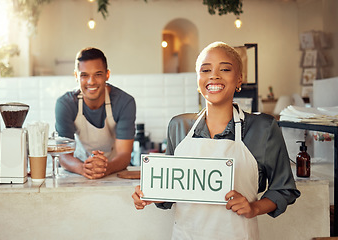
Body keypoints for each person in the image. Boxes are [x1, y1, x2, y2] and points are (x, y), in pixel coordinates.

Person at [132, 42, 300, 239]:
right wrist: (150, 194)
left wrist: (253, 208)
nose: (214, 75)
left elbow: (283, 189)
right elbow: (169, 194)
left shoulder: (263, 128)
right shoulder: (179, 126)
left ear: (239, 79)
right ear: (198, 80)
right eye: (206, 70)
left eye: (225, 69)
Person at [55, 47, 136, 179]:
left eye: (98, 74)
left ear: (107, 75)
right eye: (84, 75)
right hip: (79, 170)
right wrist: (84, 168)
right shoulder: (66, 104)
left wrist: (105, 168)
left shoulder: (125, 102)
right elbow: (64, 156)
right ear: (76, 76)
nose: (91, 81)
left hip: (114, 171)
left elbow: (124, 155)